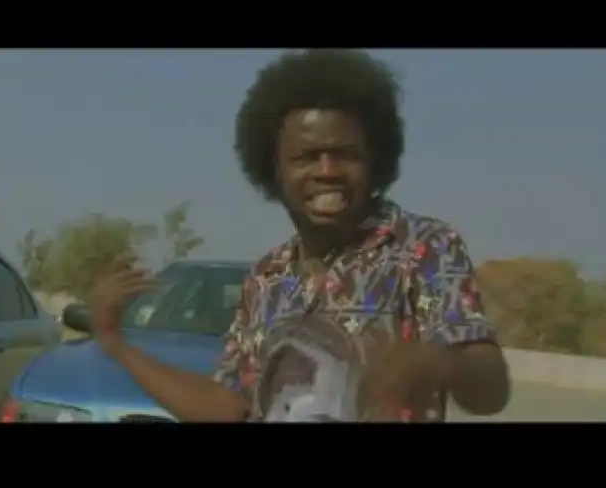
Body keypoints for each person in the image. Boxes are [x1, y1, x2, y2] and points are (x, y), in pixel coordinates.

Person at [89, 49, 511, 422]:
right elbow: (228, 408)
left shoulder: (423, 247)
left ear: (376, 160)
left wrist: (438, 364)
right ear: (274, 170)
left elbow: (492, 389)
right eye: (306, 157)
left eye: (345, 155)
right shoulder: (265, 278)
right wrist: (113, 343)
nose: (327, 171)